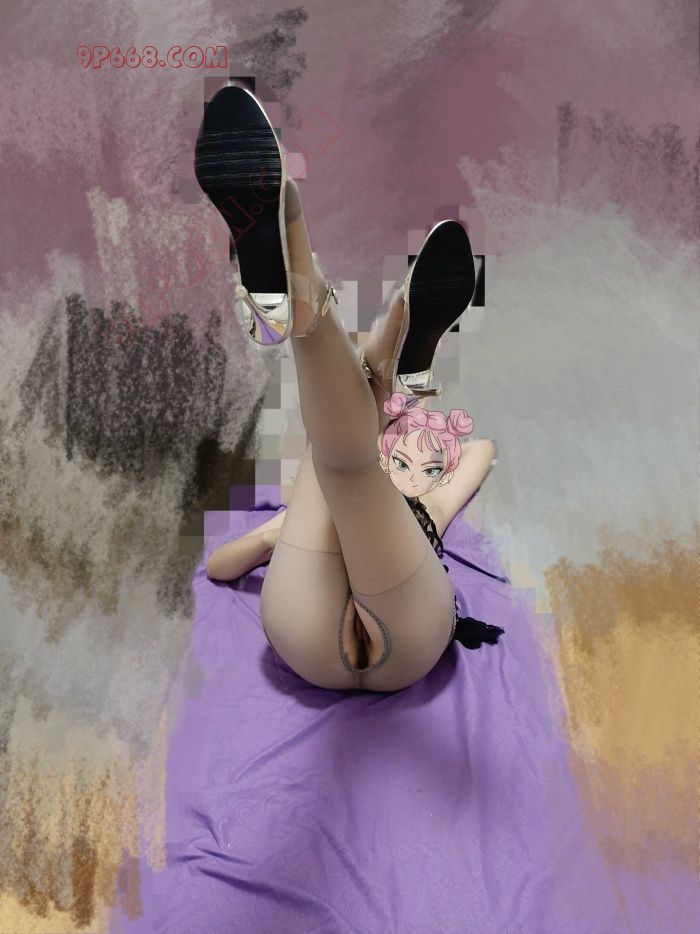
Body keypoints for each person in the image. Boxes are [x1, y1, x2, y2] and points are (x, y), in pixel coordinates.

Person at [197, 84, 504, 692]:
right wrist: (417, 469)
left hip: (306, 636)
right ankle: (383, 347)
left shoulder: (353, 503)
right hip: (409, 630)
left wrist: (273, 535)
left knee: (340, 459)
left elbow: (218, 569)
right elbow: (481, 451)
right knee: (351, 460)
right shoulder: (425, 509)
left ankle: (354, 325)